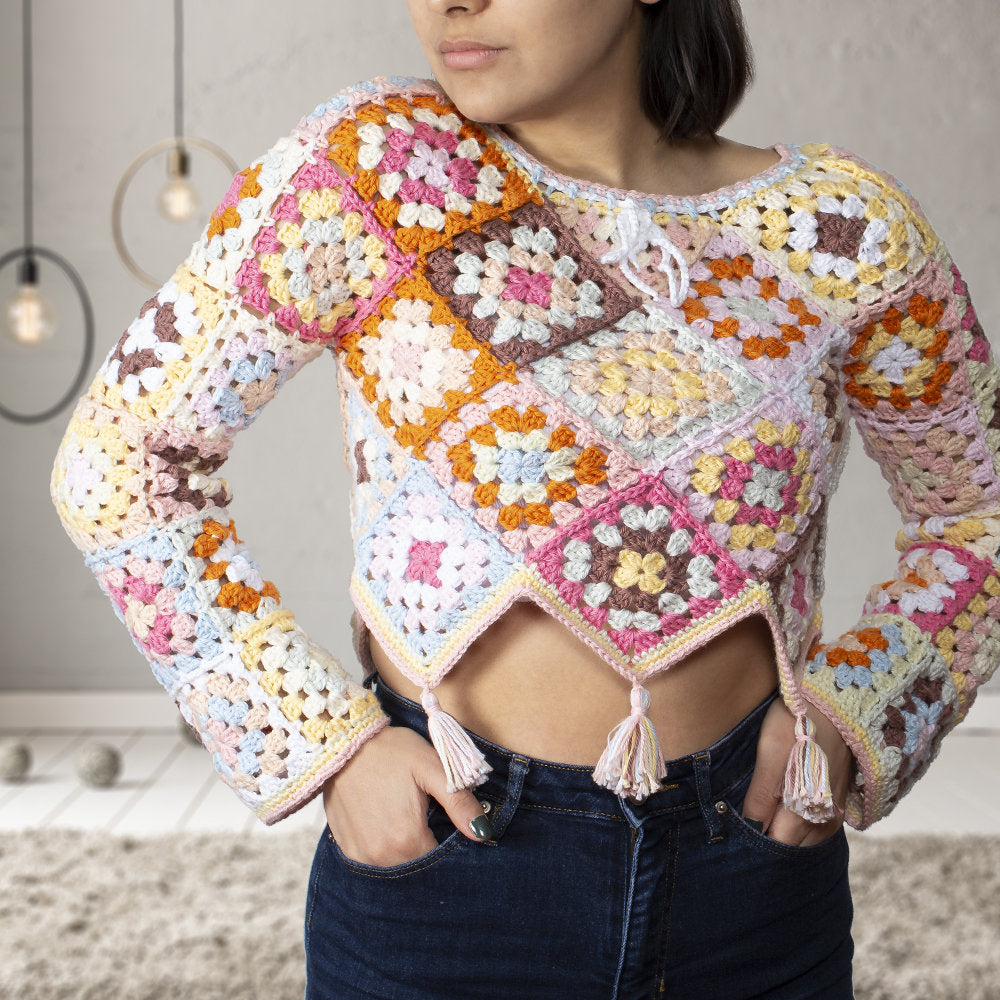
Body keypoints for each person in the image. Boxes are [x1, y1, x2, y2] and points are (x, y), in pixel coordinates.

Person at [49, 1, 998, 997]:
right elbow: (121, 457)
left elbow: (973, 519)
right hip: (452, 861)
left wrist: (858, 715)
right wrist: (325, 747)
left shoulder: (843, 234)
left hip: (753, 872)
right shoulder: (374, 171)